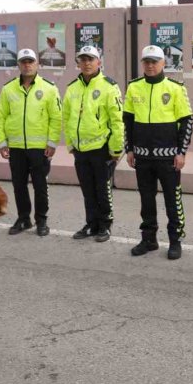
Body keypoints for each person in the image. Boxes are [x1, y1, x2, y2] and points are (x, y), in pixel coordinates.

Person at [124, 45, 193, 260]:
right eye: (147, 61)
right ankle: (149, 239)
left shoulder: (175, 88)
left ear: (164, 63)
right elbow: (127, 120)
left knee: (173, 200)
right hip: (143, 157)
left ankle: (175, 240)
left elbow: (187, 121)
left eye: (155, 61)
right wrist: (129, 149)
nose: (150, 65)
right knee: (146, 200)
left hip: (168, 157)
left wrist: (181, 152)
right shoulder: (133, 87)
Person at [0, 48, 62, 237]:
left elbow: (56, 118)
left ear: (37, 64)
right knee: (19, 185)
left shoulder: (49, 88)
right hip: (16, 148)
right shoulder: (8, 89)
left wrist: (52, 143)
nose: (27, 65)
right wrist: (2, 142)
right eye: (23, 62)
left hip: (39, 148)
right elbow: (0, 117)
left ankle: (41, 220)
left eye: (30, 61)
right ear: (18, 65)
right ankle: (24, 218)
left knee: (40, 186)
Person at [63, 45, 124, 242]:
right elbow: (66, 118)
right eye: (83, 59)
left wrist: (116, 149)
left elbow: (117, 121)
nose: (87, 63)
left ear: (99, 62)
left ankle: (105, 225)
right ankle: (91, 224)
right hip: (80, 150)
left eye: (91, 59)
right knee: (87, 190)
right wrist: (71, 145)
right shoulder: (72, 88)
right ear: (78, 63)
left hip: (102, 149)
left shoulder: (109, 86)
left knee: (102, 190)